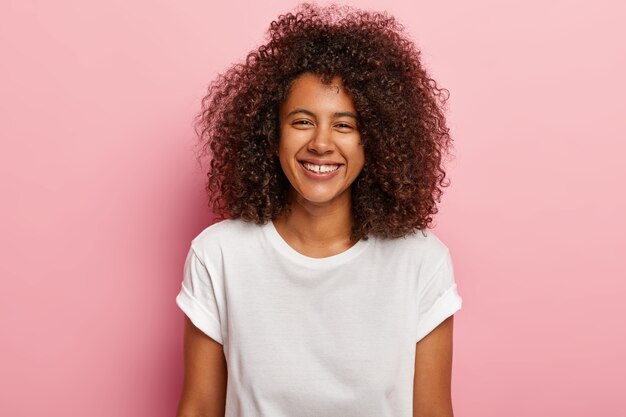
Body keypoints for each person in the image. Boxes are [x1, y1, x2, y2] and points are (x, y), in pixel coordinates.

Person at [175, 3, 462, 417]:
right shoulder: (219, 255)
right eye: (302, 121)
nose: (322, 144)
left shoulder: (422, 262)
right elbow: (199, 408)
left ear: (375, 140)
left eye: (344, 125)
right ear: (270, 135)